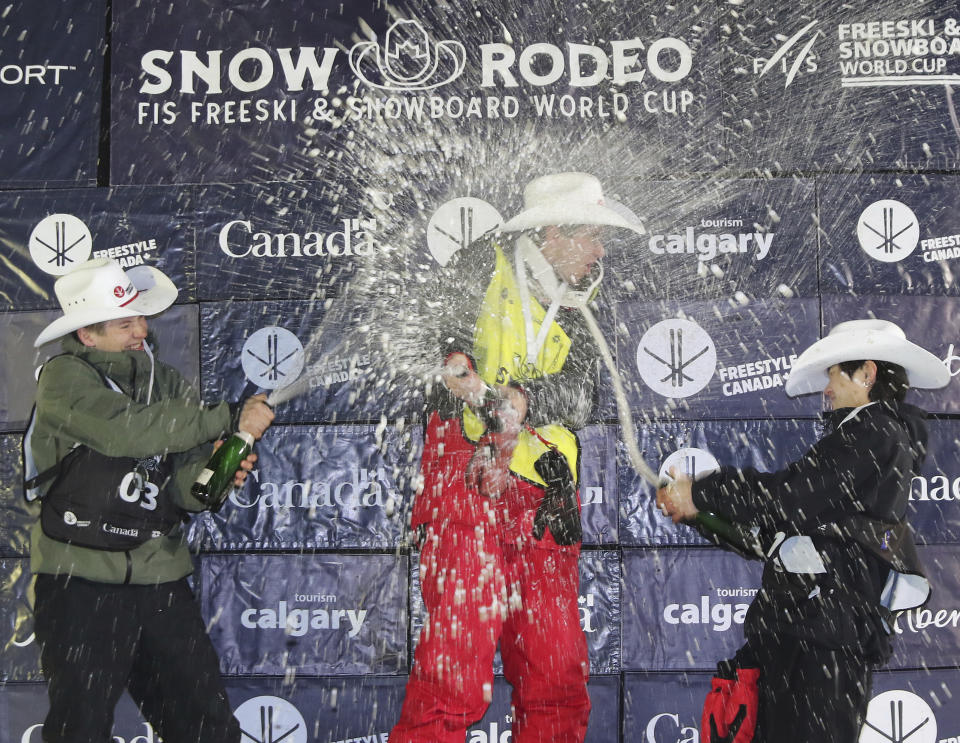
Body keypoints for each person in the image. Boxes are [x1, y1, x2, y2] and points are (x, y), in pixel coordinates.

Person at [390, 172, 644, 743]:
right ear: (553, 232)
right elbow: (440, 326)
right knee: (454, 673)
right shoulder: (483, 263)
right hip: (467, 480)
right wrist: (456, 361)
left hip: (546, 500)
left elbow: (585, 396)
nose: (602, 251)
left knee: (557, 676)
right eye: (593, 236)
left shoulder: (586, 298)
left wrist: (527, 399)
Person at [656, 318, 947, 743]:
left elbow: (784, 500)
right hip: (809, 632)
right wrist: (698, 512)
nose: (826, 391)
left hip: (822, 637)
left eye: (833, 376)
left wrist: (701, 491)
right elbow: (775, 533)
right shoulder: (869, 439)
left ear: (866, 374)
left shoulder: (874, 433)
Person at [26, 257, 274, 743]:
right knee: (80, 729)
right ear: (87, 336)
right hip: (79, 585)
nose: (142, 328)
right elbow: (125, 432)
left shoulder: (169, 383)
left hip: (160, 581)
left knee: (207, 728)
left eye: (141, 316)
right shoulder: (63, 378)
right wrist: (226, 416)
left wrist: (218, 471)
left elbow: (184, 490)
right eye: (125, 322)